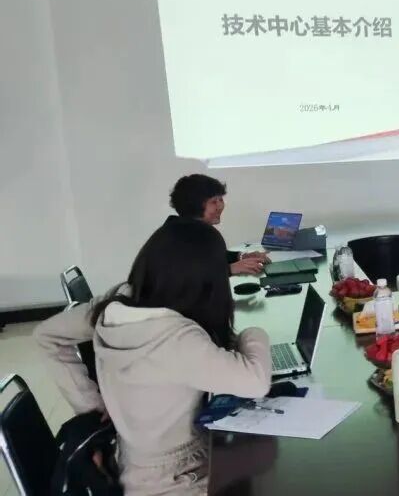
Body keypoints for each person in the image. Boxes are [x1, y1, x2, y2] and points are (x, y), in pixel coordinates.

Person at [34, 218, 272, 495]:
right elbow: (256, 380)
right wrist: (254, 332)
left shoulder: (117, 301)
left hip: (132, 465)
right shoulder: (177, 338)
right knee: (273, 467)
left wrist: (91, 406)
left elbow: (46, 335)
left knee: (261, 456)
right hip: (176, 479)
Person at [169, 174, 269, 275]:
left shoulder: (191, 229)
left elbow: (212, 257)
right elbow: (186, 276)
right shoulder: (174, 239)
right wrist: (229, 269)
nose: (220, 206)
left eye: (221, 200)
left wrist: (242, 256)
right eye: (214, 202)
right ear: (194, 206)